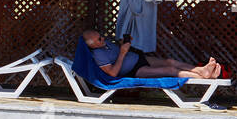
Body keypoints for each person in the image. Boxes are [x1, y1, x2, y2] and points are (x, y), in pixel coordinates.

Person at [81, 29, 222, 79]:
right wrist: (123, 53)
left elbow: (117, 51)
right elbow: (112, 73)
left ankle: (202, 71)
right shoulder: (98, 55)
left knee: (170, 61)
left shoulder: (104, 44)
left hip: (137, 59)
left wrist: (123, 44)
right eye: (99, 39)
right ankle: (204, 77)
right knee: (171, 70)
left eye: (101, 36)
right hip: (133, 70)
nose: (103, 38)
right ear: (92, 45)